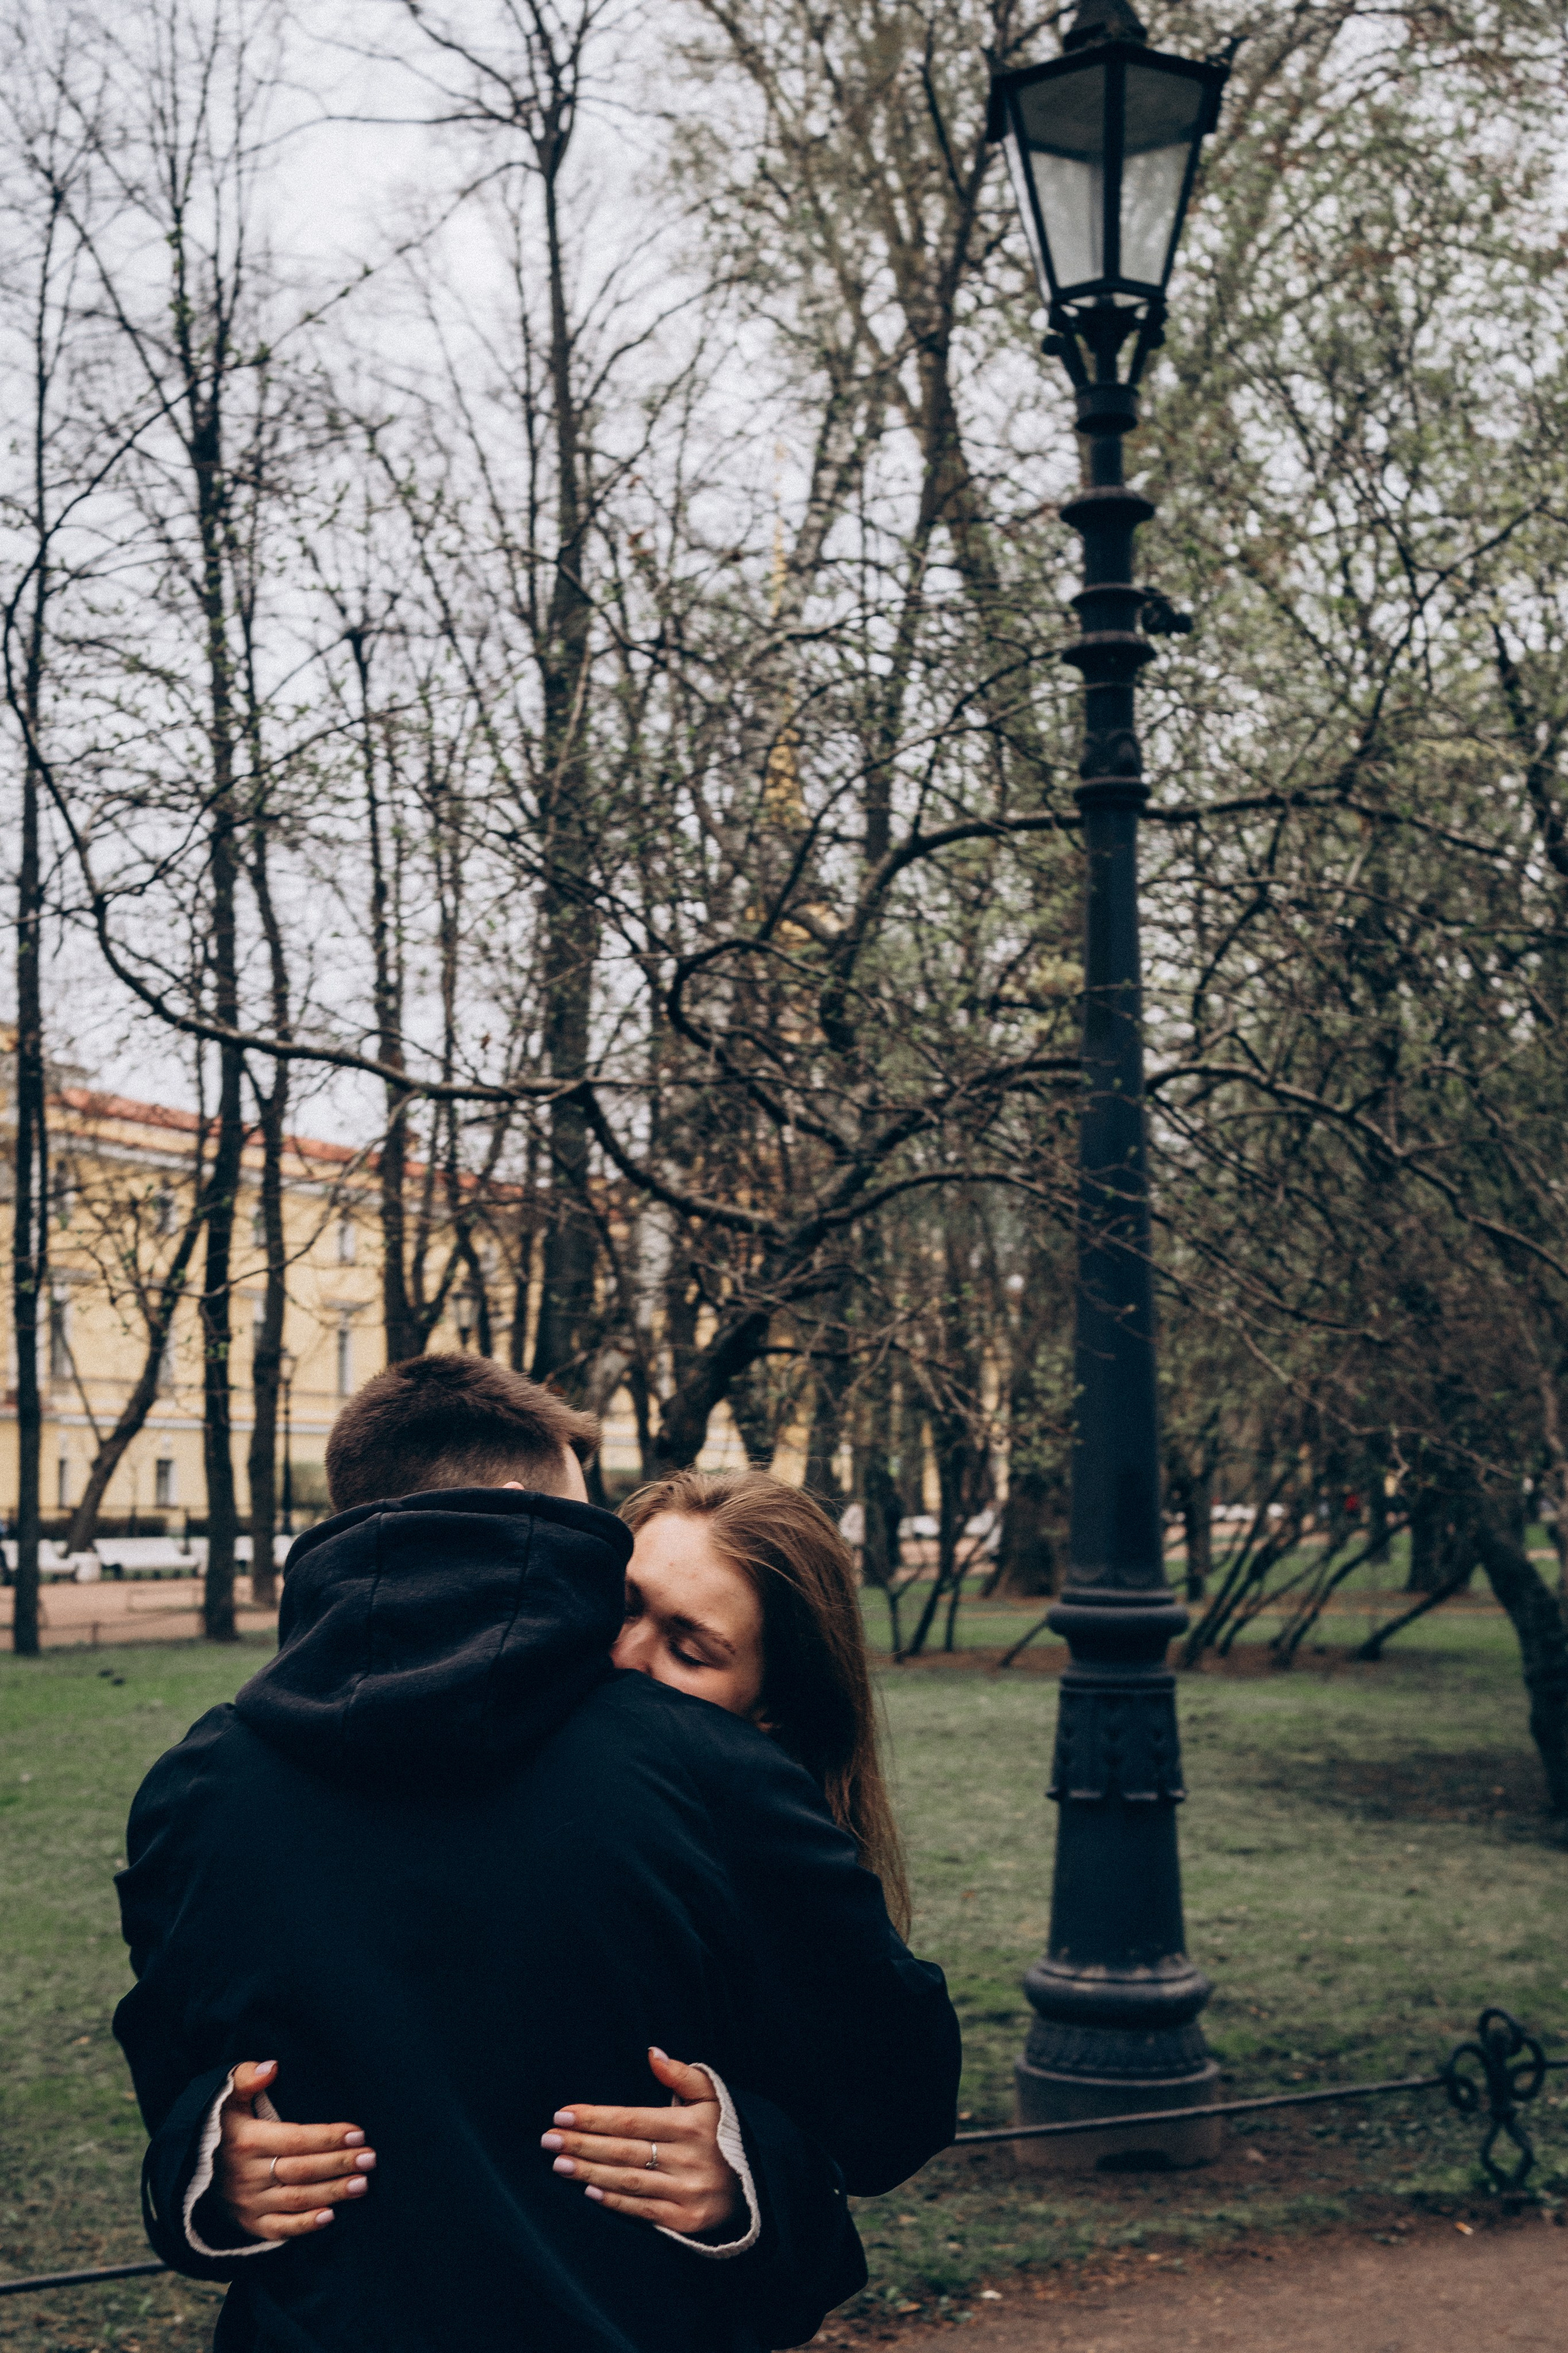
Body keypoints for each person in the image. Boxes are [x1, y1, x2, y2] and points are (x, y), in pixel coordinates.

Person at [116, 1359, 959, 2352]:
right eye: (615, 1586)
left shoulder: (197, 1783)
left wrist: (741, 2161)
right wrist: (213, 2163)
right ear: (524, 1512)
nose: (625, 1650)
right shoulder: (701, 1773)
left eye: (690, 1644)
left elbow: (878, 2097)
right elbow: (894, 2096)